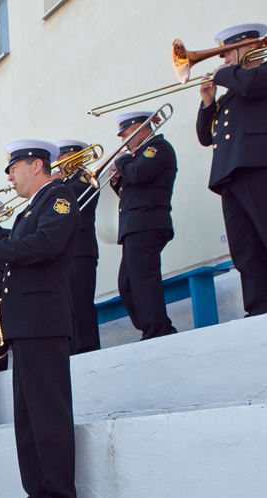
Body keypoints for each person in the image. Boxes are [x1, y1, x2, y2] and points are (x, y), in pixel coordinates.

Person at [0, 140, 81, 498]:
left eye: (13, 168)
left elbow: (46, 245)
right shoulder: (30, 209)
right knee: (28, 418)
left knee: (48, 413)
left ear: (36, 165)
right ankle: (37, 496)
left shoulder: (59, 197)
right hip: (25, 322)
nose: (9, 177)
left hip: (44, 320)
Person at [197, 23, 267, 316]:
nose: (223, 63)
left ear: (247, 47)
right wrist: (208, 102)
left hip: (261, 164)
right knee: (245, 251)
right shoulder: (232, 89)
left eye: (226, 54)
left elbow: (249, 83)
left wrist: (224, 75)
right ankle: (259, 311)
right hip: (229, 173)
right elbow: (205, 136)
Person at [109, 111, 179, 340]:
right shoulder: (137, 156)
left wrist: (121, 160)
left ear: (141, 128)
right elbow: (129, 190)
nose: (124, 141)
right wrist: (117, 178)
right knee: (127, 283)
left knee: (143, 278)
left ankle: (158, 330)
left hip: (147, 223)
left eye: (126, 134)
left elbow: (138, 174)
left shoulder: (157, 147)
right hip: (134, 225)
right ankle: (151, 327)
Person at [55, 139, 102, 354]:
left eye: (62, 158)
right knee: (68, 305)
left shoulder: (84, 178)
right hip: (67, 253)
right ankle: (74, 349)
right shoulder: (65, 184)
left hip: (81, 250)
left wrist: (55, 185)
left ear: (75, 157)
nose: (58, 164)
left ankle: (87, 348)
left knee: (81, 302)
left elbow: (72, 204)